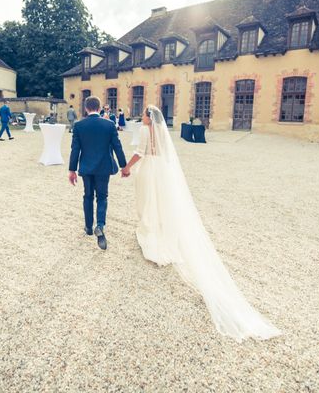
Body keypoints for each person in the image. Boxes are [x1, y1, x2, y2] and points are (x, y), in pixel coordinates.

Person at [120, 105, 281, 342]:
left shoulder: (145, 131)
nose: (141, 118)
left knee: (148, 201)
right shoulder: (163, 133)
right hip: (162, 171)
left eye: (143, 115)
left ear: (148, 118)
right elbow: (166, 155)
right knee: (161, 202)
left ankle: (151, 232)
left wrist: (126, 167)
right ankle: (162, 230)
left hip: (149, 170)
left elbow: (141, 153)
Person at [68, 96, 128, 250]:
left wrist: (72, 170)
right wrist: (124, 166)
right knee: (102, 197)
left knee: (88, 196)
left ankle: (88, 227)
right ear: (100, 107)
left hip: (87, 168)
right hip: (103, 167)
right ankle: (100, 225)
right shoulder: (109, 125)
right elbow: (117, 147)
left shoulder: (79, 125)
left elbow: (75, 150)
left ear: (86, 108)